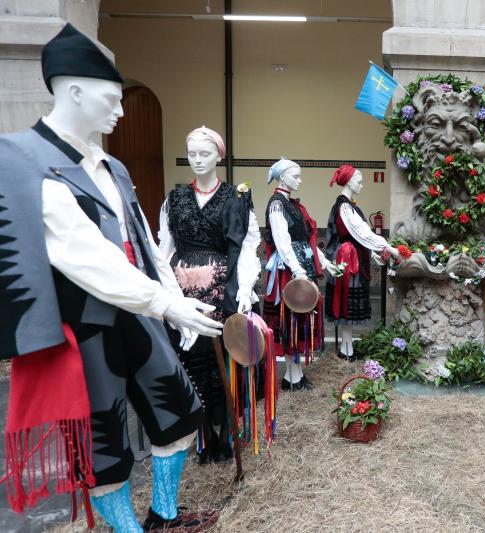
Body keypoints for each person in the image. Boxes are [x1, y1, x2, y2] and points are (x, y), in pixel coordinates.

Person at [0, 24, 221, 531]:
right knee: (101, 449)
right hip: (80, 330)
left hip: (138, 312)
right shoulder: (21, 160)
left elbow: (142, 240)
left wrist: (170, 297)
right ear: (74, 90)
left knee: (180, 413)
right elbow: (85, 256)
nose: (121, 111)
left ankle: (164, 515)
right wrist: (165, 304)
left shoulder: (114, 165)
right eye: (112, 99)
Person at [158, 126, 261, 464]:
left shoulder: (236, 197)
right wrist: (165, 294)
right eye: (192, 154)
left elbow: (247, 246)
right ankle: (202, 436)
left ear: (220, 155)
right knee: (192, 363)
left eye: (205, 154)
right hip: (184, 293)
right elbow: (164, 248)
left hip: (223, 290)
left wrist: (244, 288)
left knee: (223, 362)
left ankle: (228, 431)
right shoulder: (173, 199)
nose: (198, 160)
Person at [262, 158, 340, 390]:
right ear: (282, 177)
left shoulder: (292, 205)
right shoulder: (277, 204)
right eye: (296, 176)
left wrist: (326, 263)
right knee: (290, 321)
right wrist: (297, 270)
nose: (300, 180)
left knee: (301, 321)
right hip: (289, 272)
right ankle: (292, 376)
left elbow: (307, 242)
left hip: (301, 269)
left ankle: (294, 375)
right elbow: (282, 241)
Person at [324, 165, 399, 361]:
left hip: (353, 255)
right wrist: (388, 247)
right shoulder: (344, 207)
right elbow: (362, 233)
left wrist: (376, 253)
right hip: (348, 258)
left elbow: (361, 236)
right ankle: (345, 349)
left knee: (348, 304)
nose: (362, 185)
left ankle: (347, 348)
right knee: (347, 303)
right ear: (349, 181)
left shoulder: (349, 206)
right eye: (359, 181)